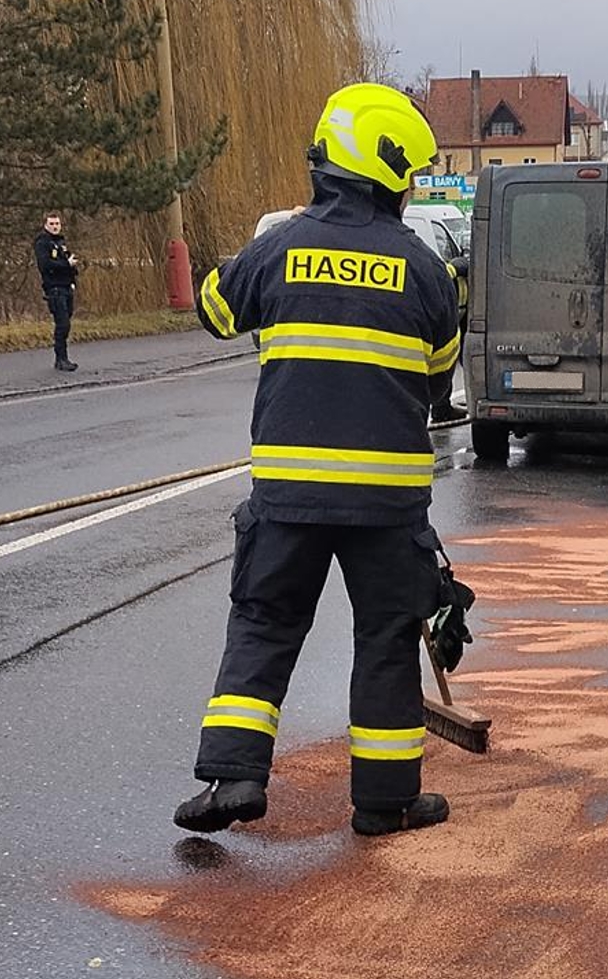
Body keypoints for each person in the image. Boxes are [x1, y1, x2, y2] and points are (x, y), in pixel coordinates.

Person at [172, 82, 462, 839]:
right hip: (387, 505)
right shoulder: (426, 270)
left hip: (289, 495)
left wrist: (260, 257)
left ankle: (234, 777)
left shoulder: (278, 249)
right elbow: (439, 380)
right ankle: (385, 803)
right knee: (386, 640)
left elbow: (213, 310)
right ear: (389, 171)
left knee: (264, 624)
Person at [34, 212, 79, 371]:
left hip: (66, 286)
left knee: (66, 322)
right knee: (62, 324)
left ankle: (63, 358)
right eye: (52, 224)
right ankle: (61, 359)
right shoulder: (42, 243)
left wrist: (72, 278)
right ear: (45, 225)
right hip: (54, 288)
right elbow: (45, 265)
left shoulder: (60, 242)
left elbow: (68, 262)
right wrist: (66, 264)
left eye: (57, 224)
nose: (55, 227)